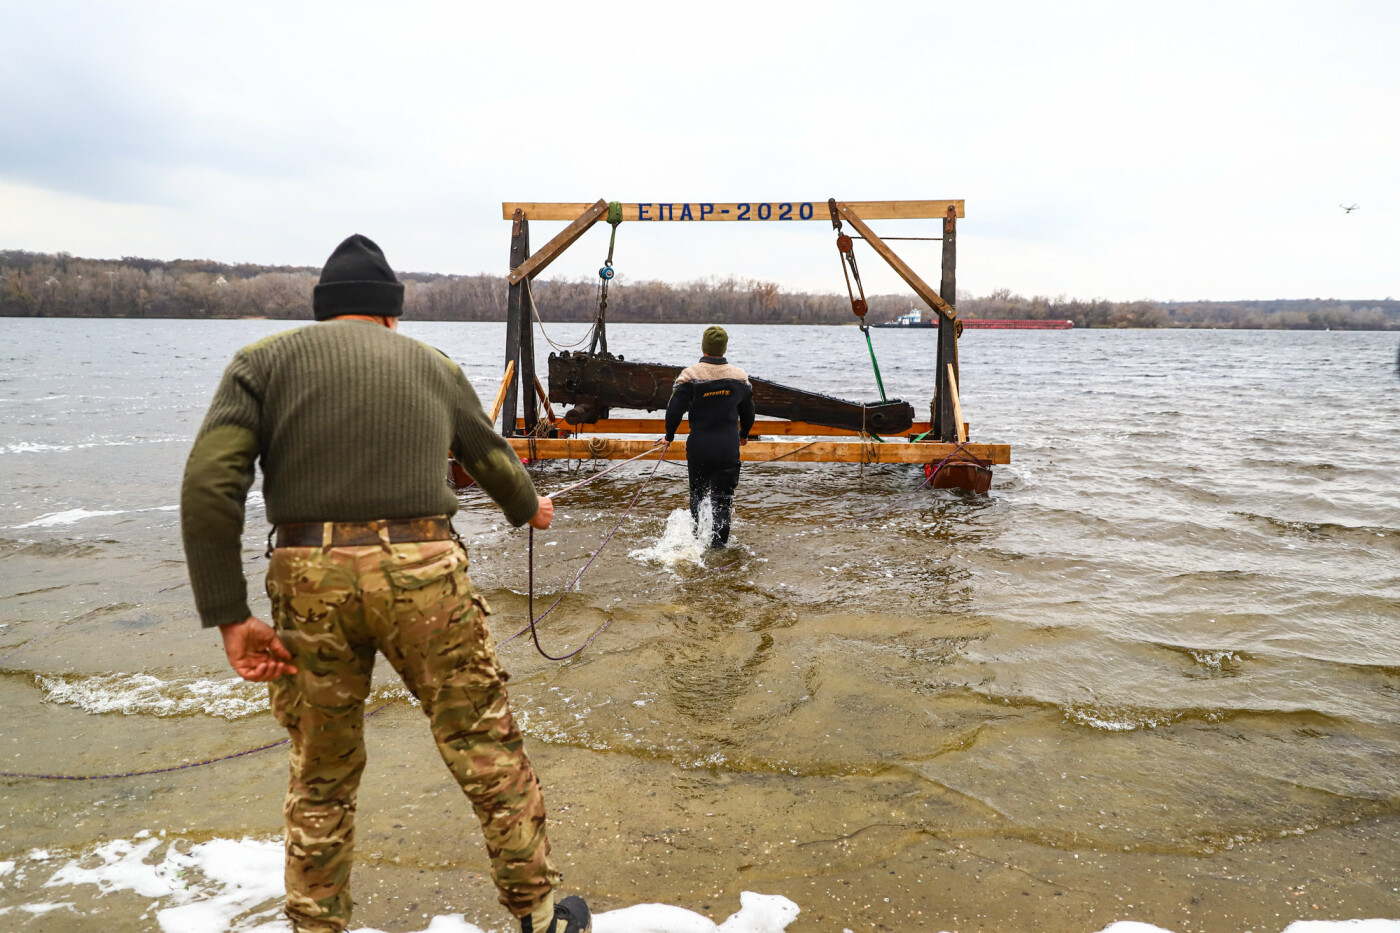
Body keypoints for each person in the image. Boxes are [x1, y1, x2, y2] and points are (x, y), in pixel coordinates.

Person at [179, 234, 590, 933]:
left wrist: (229, 614)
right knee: (485, 748)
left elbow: (209, 485)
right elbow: (489, 456)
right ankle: (540, 917)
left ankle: (315, 925)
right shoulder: (432, 364)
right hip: (423, 570)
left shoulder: (261, 363)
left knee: (322, 774)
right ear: (391, 314)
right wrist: (531, 509)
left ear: (322, 311)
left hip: (308, 575)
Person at [663, 325, 755, 547]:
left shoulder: (691, 375)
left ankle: (696, 545)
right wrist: (744, 434)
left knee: (698, 496)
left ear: (704, 348)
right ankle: (718, 550)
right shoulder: (740, 377)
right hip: (727, 448)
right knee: (722, 502)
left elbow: (674, 410)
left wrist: (669, 436)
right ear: (723, 349)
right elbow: (749, 412)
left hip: (699, 447)